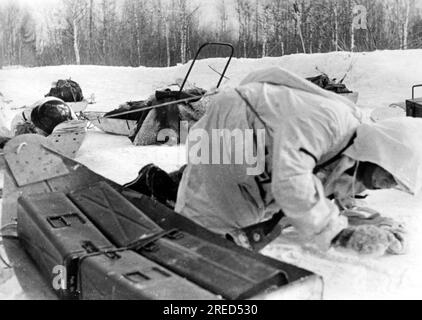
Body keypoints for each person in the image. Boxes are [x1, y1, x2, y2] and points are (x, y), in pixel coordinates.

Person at [125, 67, 422, 254]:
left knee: (261, 213)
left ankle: (160, 185)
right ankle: (156, 194)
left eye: (397, 183)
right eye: (393, 175)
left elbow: (330, 197)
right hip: (234, 128)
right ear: (383, 153)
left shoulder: (353, 150)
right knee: (210, 240)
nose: (390, 184)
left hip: (253, 142)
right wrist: (339, 234)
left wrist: (372, 221)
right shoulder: (331, 123)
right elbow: (293, 185)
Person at [11, 96, 76, 137]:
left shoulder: (71, 119)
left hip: (57, 105)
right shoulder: (26, 115)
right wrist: (19, 132)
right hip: (41, 108)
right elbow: (15, 125)